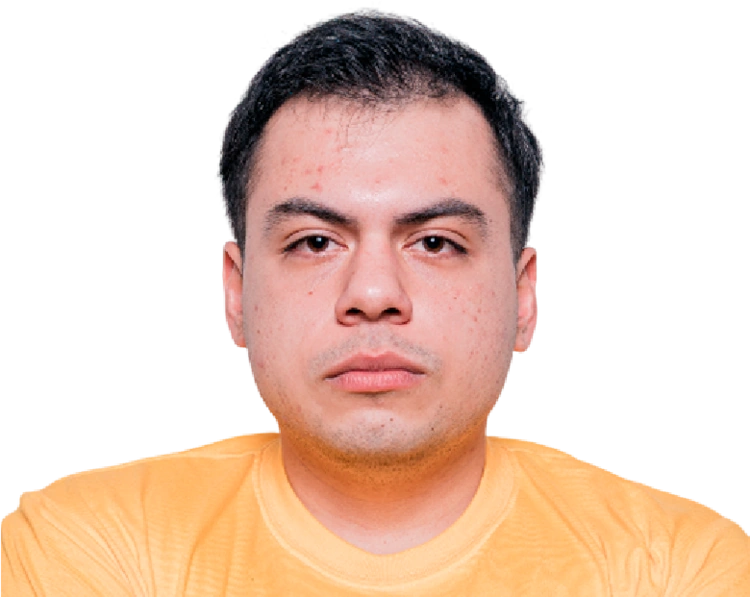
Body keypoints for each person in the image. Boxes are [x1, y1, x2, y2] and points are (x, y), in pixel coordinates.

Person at [2, 7, 747, 596]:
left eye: (436, 242)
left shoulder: (674, 566)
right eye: (315, 242)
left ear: (525, 298)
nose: (373, 295)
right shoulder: (90, 545)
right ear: (235, 291)